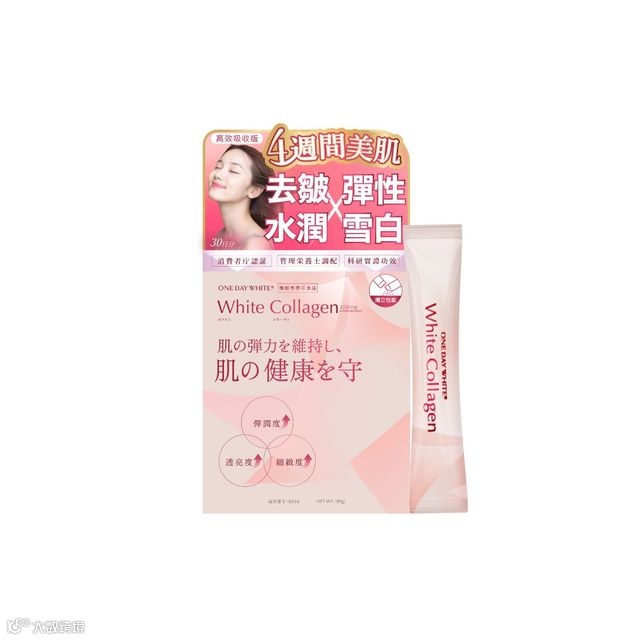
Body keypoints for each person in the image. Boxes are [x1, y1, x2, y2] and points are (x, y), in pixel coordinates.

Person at [208, 144, 274, 250]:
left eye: (233, 171)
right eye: (218, 167)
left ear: (254, 190)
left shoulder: (255, 244)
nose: (218, 174)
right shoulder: (222, 235)